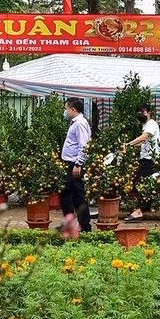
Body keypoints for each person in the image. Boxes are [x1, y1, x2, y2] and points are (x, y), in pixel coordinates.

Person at [59, 97, 93, 232]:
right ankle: (71, 224)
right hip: (70, 163)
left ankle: (85, 227)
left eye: (66, 109)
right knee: (67, 195)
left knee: (77, 196)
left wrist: (78, 164)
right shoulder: (76, 123)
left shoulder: (80, 123)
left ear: (73, 109)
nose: (65, 111)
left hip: (74, 164)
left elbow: (84, 145)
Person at [123, 104, 160, 222]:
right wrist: (130, 147)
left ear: (149, 112)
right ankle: (138, 209)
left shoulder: (151, 124)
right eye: (138, 112)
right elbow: (144, 142)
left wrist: (128, 144)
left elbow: (144, 137)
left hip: (150, 159)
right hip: (146, 158)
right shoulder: (146, 125)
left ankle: (139, 211)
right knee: (138, 184)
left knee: (142, 185)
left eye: (143, 112)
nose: (140, 114)